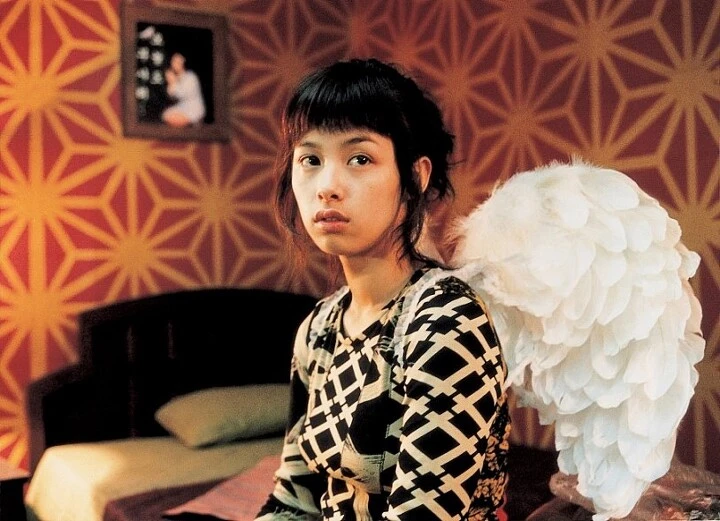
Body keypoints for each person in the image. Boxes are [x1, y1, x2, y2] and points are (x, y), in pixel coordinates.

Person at [255, 58, 511, 521]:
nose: (327, 187)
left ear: (415, 177)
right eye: (310, 160)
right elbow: (293, 498)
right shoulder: (319, 328)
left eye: (360, 159)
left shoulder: (446, 320)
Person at [161, 52, 206, 127]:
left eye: (177, 62)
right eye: (173, 62)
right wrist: (171, 83)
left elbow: (184, 95)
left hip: (193, 108)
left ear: (182, 63)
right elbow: (172, 97)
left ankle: (191, 124)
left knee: (171, 118)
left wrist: (173, 83)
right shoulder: (176, 77)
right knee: (166, 115)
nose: (174, 64)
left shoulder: (190, 76)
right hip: (183, 107)